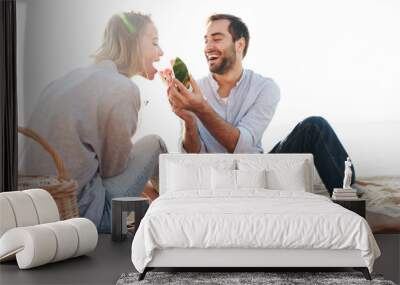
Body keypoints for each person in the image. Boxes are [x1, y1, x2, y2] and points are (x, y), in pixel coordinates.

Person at [167, 13, 354, 195]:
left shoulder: (265, 88)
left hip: (256, 173)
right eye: (205, 40)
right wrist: (188, 118)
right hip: (212, 178)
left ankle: (350, 197)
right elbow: (192, 156)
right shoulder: (194, 90)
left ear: (239, 44)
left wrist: (201, 108)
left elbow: (245, 148)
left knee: (315, 126)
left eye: (216, 39)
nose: (208, 46)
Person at [21, 12, 167, 232]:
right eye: (155, 42)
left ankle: (158, 205)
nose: (161, 52)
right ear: (133, 43)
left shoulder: (65, 81)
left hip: (33, 208)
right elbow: (113, 169)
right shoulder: (122, 88)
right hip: (87, 216)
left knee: (144, 190)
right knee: (155, 143)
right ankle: (175, 208)